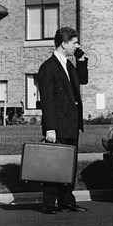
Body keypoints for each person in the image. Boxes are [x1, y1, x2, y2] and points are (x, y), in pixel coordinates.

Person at [38, 27, 89, 214]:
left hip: (72, 123)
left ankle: (66, 200)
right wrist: (50, 128)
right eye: (74, 42)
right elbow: (47, 100)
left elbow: (82, 80)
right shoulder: (48, 67)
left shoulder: (68, 65)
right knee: (54, 164)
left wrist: (81, 60)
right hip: (57, 124)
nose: (77, 45)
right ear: (64, 43)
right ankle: (49, 203)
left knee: (70, 164)